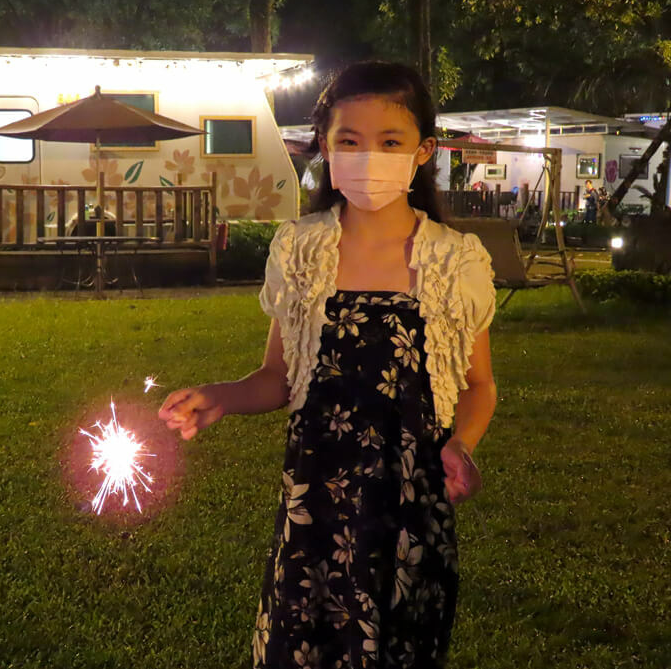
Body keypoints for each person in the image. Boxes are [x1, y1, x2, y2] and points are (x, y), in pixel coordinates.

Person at [158, 61, 498, 669]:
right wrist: (221, 397)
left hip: (410, 517)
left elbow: (480, 385)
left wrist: (462, 444)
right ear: (325, 146)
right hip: (313, 511)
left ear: (423, 151)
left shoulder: (456, 262)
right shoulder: (302, 248)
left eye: (389, 142)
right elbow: (279, 376)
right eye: (350, 140)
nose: (369, 156)